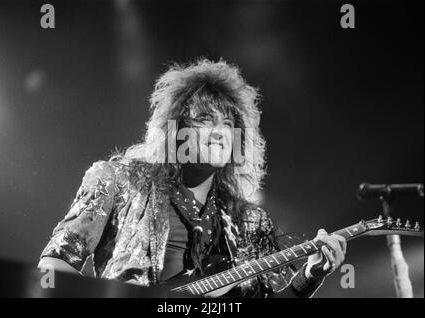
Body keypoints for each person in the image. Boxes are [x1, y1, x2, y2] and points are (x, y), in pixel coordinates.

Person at [38, 59, 346, 297]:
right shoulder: (118, 181)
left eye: (228, 123)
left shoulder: (250, 221)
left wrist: (310, 276)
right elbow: (54, 265)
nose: (219, 132)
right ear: (176, 130)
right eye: (204, 119)